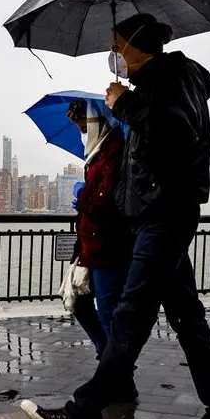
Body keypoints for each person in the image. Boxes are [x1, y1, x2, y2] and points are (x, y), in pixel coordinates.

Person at [20, 13, 210, 419]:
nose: (115, 54)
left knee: (130, 318)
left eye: (118, 44)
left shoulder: (171, 80)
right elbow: (147, 150)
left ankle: (83, 415)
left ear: (139, 46)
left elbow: (172, 132)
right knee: (187, 319)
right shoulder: (166, 84)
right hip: (160, 215)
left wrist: (124, 104)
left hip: (164, 217)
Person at [63, 100, 132, 386]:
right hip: (90, 244)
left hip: (108, 246)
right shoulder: (96, 154)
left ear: (95, 122)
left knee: (108, 311)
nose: (81, 132)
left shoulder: (115, 150)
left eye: (83, 126)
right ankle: (108, 358)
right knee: (77, 302)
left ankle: (118, 377)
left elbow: (106, 199)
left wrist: (81, 197)